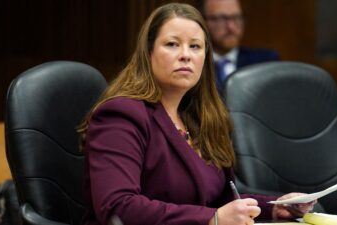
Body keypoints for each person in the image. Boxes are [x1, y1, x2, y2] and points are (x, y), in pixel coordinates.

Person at [79, 3, 314, 225]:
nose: (186, 55)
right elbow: (118, 208)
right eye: (172, 44)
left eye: (195, 46)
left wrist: (271, 208)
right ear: (148, 53)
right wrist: (212, 219)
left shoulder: (199, 118)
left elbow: (218, 201)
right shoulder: (121, 115)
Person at [198, 0, 280, 92]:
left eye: (237, 18)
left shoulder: (266, 62)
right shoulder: (193, 64)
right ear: (202, 21)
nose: (231, 27)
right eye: (221, 19)